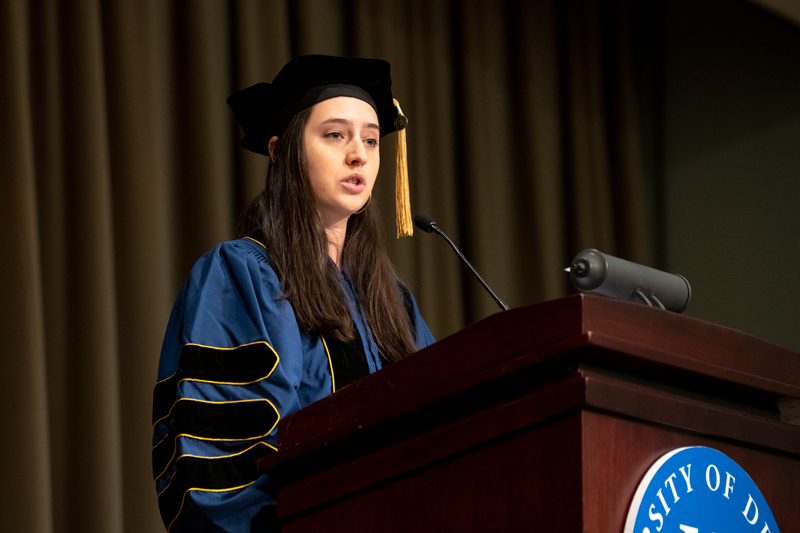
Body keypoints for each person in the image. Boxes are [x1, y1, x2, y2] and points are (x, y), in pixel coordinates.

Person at [151, 55, 435, 532]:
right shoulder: (241, 274)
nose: (359, 155)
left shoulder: (393, 302)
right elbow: (219, 459)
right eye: (335, 135)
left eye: (370, 139)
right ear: (282, 151)